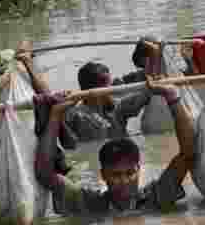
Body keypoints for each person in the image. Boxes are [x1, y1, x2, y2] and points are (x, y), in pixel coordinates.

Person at [34, 78, 193, 215]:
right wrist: (55, 114)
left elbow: (188, 154)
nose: (124, 181)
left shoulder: (156, 197)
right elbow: (45, 175)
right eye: (116, 175)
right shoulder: (91, 204)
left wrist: (173, 98)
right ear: (103, 175)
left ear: (139, 169)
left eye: (130, 173)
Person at [63, 61, 151, 142]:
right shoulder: (76, 115)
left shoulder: (117, 107)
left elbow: (145, 94)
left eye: (110, 85)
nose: (112, 89)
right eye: (107, 85)